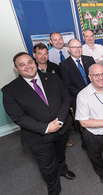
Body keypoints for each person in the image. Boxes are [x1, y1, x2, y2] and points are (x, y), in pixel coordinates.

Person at [2, 52, 75, 195]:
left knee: (60, 154)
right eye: (22, 65)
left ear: (34, 62)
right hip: (38, 136)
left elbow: (66, 99)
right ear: (16, 69)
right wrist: (47, 128)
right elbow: (18, 117)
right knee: (47, 166)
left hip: (61, 128)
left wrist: (59, 121)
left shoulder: (53, 77)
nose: (28, 66)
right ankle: (54, 188)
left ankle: (63, 169)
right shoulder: (10, 90)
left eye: (29, 62)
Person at [59, 39, 95, 150]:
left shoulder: (89, 60)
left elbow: (97, 76)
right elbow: (67, 85)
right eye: (74, 47)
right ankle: (86, 142)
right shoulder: (64, 65)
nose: (77, 49)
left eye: (79, 46)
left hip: (95, 94)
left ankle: (97, 137)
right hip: (78, 98)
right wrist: (85, 94)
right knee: (83, 122)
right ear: (68, 49)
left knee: (96, 117)